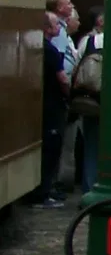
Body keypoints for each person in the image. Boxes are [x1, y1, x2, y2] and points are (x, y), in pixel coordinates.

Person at [28, 12, 69, 208]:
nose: (59, 28)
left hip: (38, 104)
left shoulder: (35, 47)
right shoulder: (50, 51)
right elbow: (62, 79)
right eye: (56, 25)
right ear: (47, 28)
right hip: (52, 106)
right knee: (51, 151)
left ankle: (43, 189)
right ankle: (43, 193)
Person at [70, 7, 105, 192]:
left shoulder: (88, 41)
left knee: (91, 145)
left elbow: (75, 68)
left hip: (92, 100)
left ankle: (90, 188)